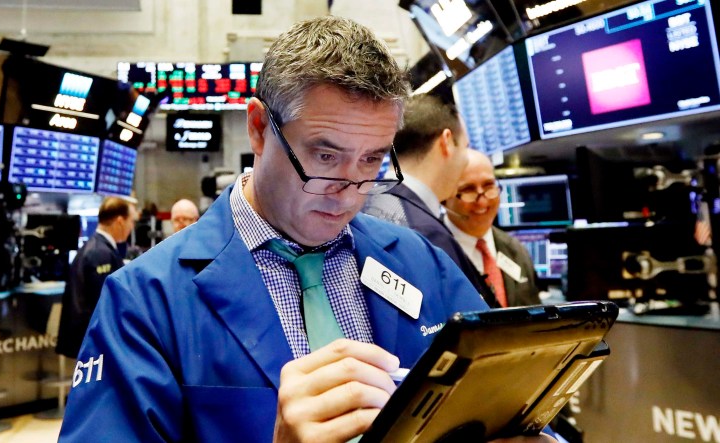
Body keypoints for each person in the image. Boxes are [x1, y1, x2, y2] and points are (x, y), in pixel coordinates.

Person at [59, 17, 556, 443]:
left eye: (371, 160)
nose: (348, 191)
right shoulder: (145, 299)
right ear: (258, 128)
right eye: (324, 155)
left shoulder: (420, 262)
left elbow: (501, 400)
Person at [362, 93, 498, 308]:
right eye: (465, 146)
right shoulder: (424, 232)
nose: (465, 160)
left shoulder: (365, 204)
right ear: (446, 142)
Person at [444, 150, 541, 308]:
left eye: (489, 186)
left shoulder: (516, 250)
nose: (482, 202)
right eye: (468, 189)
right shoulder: (434, 252)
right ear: (445, 195)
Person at [55, 196, 138, 359]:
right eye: (131, 221)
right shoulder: (100, 253)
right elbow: (104, 303)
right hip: (93, 340)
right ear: (120, 221)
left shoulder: (95, 247)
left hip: (88, 337)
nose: (132, 227)